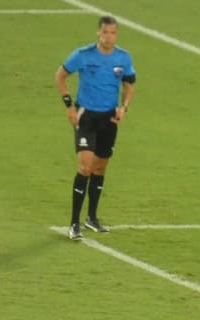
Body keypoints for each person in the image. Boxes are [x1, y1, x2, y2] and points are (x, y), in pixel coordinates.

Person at [55, 15, 136, 241]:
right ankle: (74, 223)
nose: (109, 37)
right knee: (85, 166)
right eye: (105, 32)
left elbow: (129, 85)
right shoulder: (83, 55)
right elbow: (60, 76)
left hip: (108, 119)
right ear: (98, 33)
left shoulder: (123, 57)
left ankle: (91, 217)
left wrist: (124, 108)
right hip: (86, 117)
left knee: (99, 169)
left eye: (113, 33)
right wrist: (69, 105)